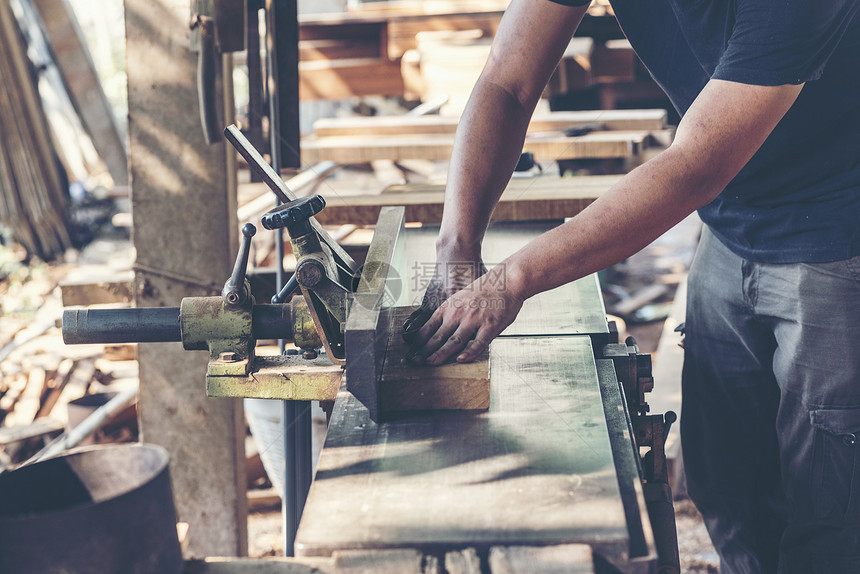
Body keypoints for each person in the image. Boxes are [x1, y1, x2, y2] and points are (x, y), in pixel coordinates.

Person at [402, 1, 860, 572]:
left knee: (830, 510)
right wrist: (456, 248)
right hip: (731, 221)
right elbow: (508, 80)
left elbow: (698, 162)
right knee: (725, 483)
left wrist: (508, 281)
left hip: (838, 236)